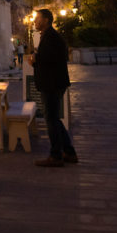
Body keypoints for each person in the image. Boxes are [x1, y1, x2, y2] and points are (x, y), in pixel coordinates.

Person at [30, 9, 78, 167]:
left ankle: (56, 155)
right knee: (54, 119)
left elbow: (51, 60)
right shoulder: (47, 36)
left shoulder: (51, 37)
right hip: (53, 83)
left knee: (51, 119)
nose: (35, 21)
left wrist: (35, 60)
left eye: (37, 18)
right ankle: (69, 152)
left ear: (46, 20)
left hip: (52, 84)